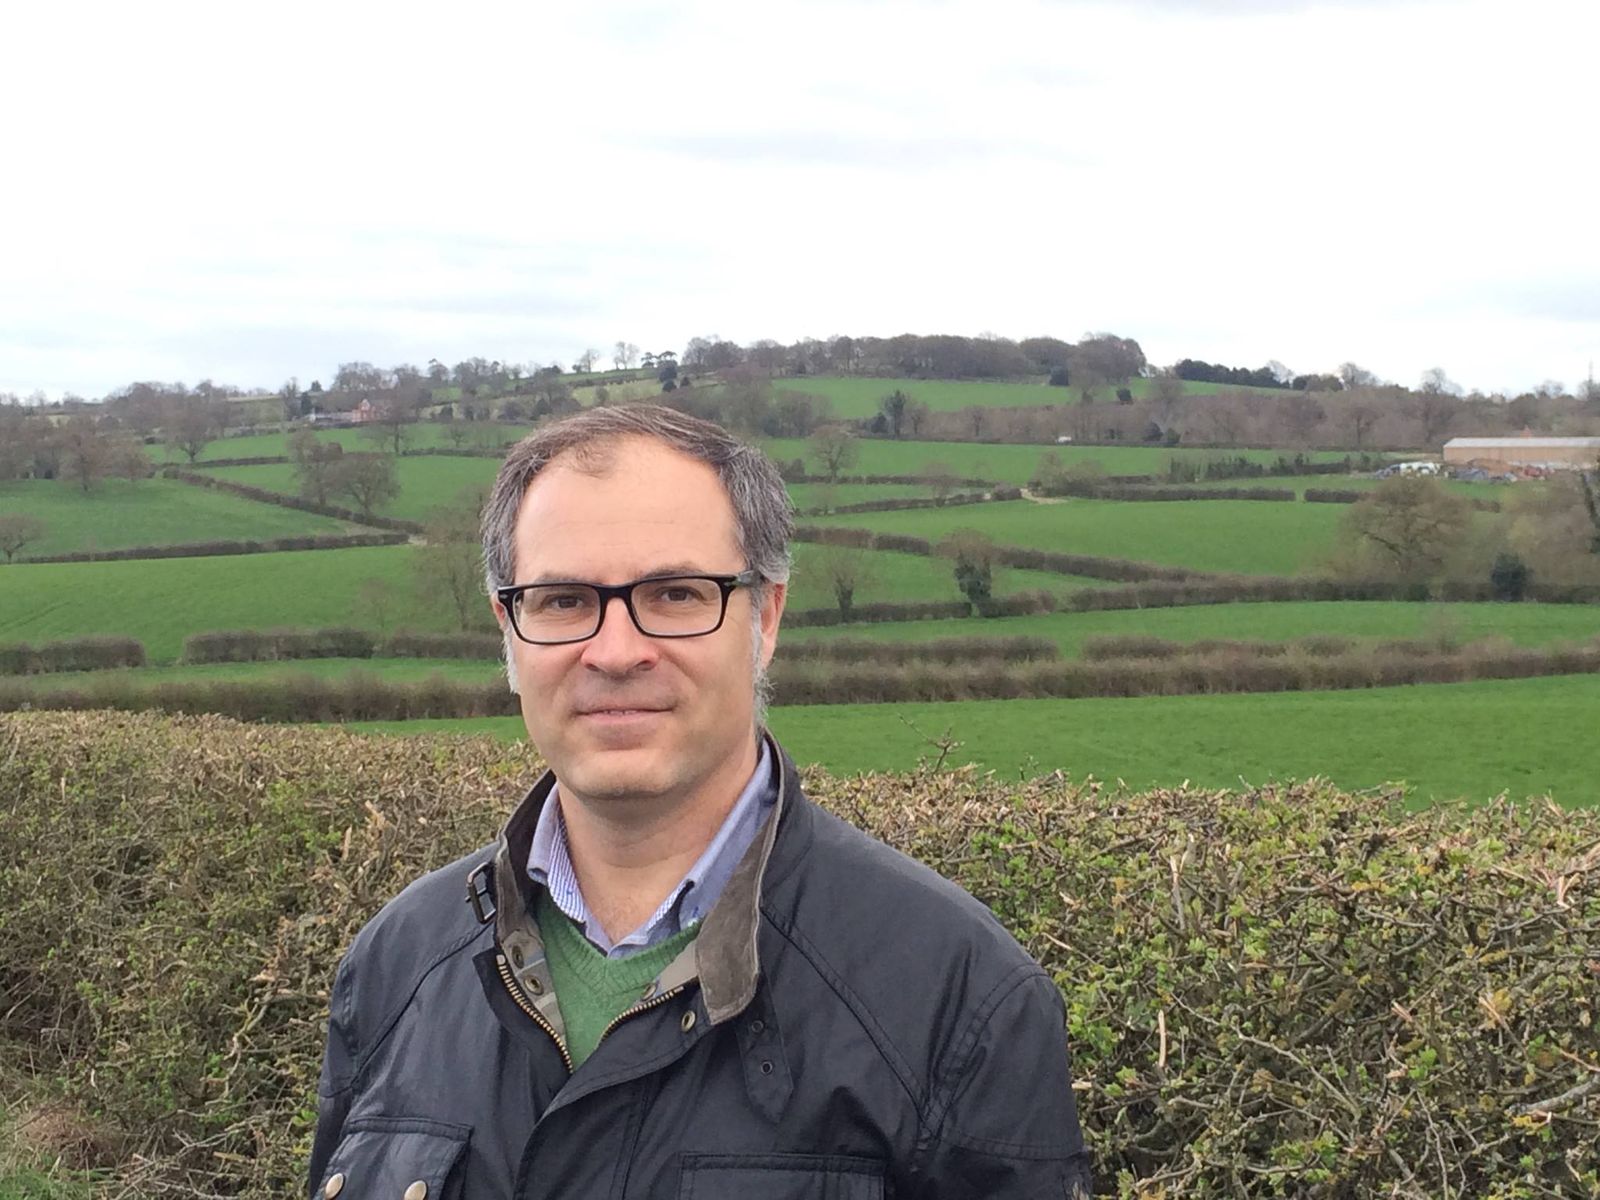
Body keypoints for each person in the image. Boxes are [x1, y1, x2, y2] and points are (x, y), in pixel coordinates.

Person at [308, 405, 1091, 1199]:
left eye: (676, 594)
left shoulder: (958, 997)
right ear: (507, 630)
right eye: (563, 600)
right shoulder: (393, 967)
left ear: (766, 617)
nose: (615, 652)